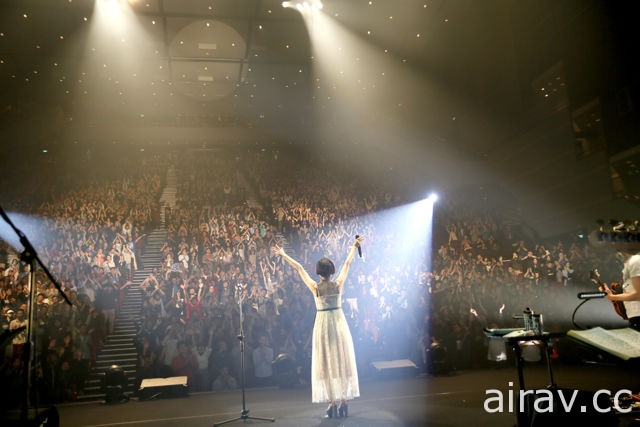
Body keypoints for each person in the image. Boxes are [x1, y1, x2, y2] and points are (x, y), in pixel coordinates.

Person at [271, 235, 363, 419]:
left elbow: (299, 268)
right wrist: (355, 245)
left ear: (319, 272)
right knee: (340, 360)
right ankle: (343, 401)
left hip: (323, 324)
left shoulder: (316, 288)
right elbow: (347, 264)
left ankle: (332, 403)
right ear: (331, 271)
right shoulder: (337, 285)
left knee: (327, 362)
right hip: (338, 322)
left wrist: (282, 254)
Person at [603, 242, 640, 331]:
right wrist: (612, 294)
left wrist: (613, 296)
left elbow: (638, 294)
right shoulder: (630, 263)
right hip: (634, 316)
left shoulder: (635, 260)